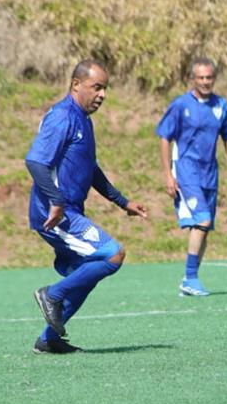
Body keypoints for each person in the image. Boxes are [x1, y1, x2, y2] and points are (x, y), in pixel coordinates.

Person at [26, 59, 148, 354]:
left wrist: (123, 202)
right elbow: (35, 161)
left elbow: (90, 169)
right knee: (114, 254)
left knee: (89, 273)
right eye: (97, 87)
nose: (102, 94)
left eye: (105, 89)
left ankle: (49, 340)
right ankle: (52, 295)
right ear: (76, 85)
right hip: (56, 214)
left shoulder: (84, 120)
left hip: (66, 211)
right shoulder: (62, 116)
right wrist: (56, 202)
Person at [156, 57, 227, 296]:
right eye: (201, 78)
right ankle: (190, 277)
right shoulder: (180, 105)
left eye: (209, 77)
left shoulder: (221, 106)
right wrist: (167, 174)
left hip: (209, 174)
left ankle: (190, 279)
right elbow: (165, 138)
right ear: (192, 79)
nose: (205, 82)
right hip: (186, 170)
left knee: (205, 226)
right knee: (202, 220)